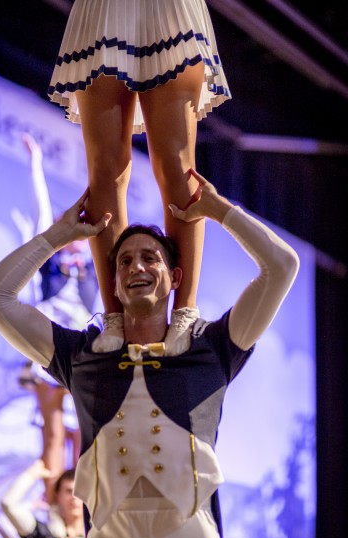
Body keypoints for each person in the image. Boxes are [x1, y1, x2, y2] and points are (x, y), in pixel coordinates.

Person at [0, 169, 299, 538]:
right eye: (125, 261)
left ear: (175, 278)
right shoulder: (81, 356)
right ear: (114, 285)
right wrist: (58, 235)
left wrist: (219, 210)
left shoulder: (212, 347)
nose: (137, 267)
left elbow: (282, 267)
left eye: (150, 258)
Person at [48, 0, 232, 355]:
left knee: (177, 165)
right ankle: (114, 317)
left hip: (169, 9)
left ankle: (184, 311)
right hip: (103, 9)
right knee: (105, 169)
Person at [14, 133, 99, 501]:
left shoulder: (98, 264)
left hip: (81, 342)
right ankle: (53, 501)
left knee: (86, 429)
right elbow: (41, 214)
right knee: (51, 431)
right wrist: (36, 166)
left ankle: (83, 503)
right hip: (50, 340)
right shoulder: (50, 253)